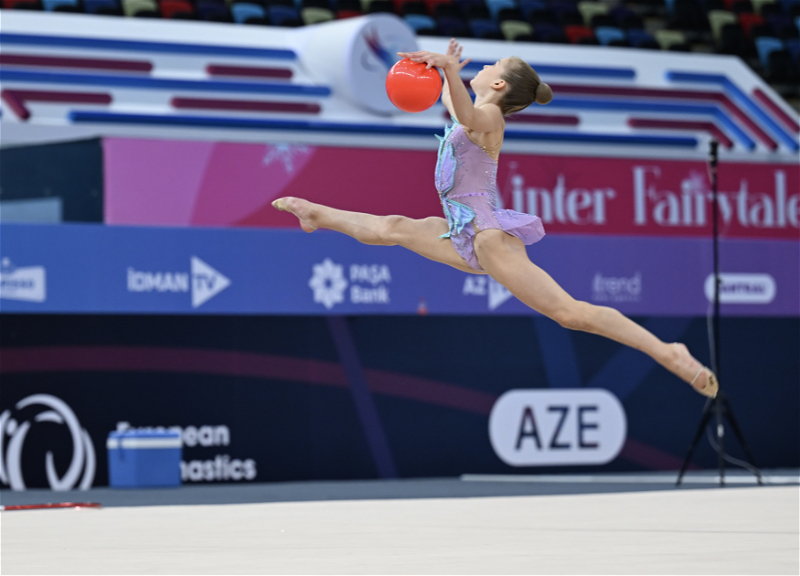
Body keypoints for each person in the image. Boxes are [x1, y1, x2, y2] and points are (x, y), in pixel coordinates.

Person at [273, 39, 718, 398]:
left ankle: (668, 351)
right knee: (393, 227)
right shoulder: (476, 111)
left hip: (487, 235)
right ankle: (317, 215)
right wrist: (441, 68)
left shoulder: (490, 118)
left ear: (501, 85)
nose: (482, 67)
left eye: (493, 64)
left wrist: (449, 69)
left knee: (569, 313)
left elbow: (466, 111)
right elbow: (455, 105)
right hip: (459, 230)